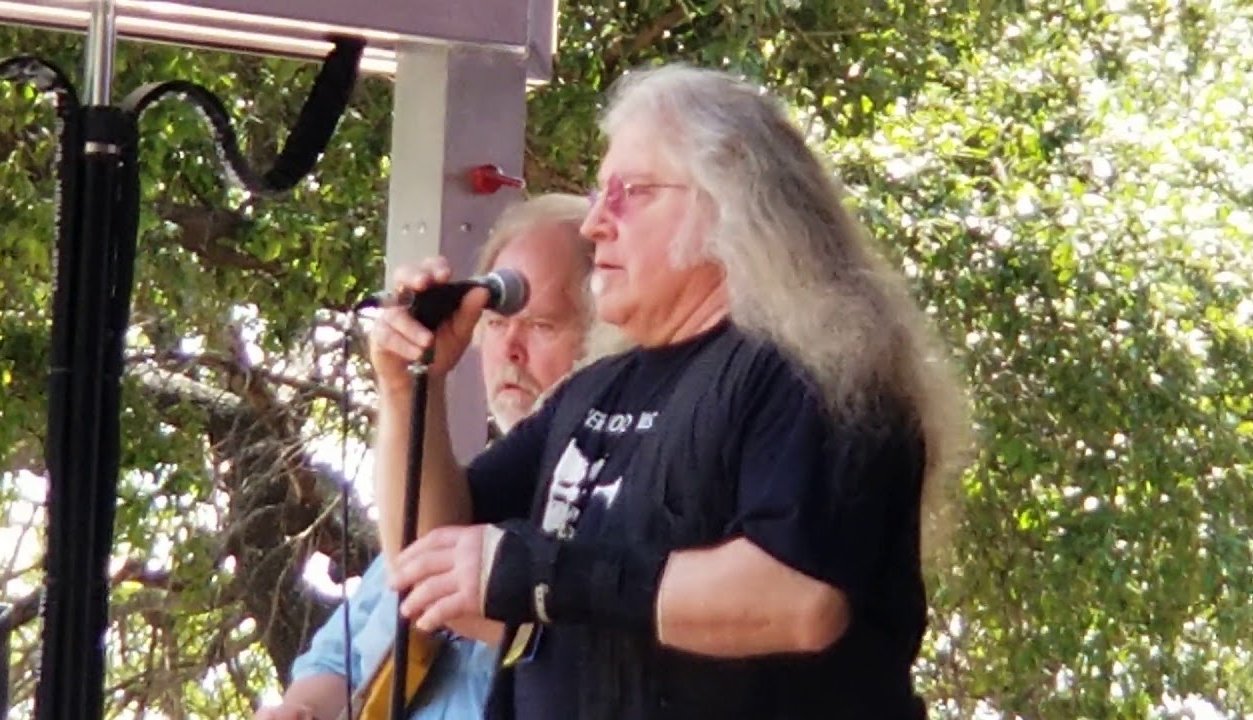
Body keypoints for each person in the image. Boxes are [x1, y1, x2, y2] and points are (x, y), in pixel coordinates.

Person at [371, 63, 973, 719]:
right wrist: (409, 394)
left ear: (731, 203)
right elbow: (429, 555)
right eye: (600, 195)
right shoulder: (594, 391)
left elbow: (797, 599)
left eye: (631, 192)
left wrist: (545, 577)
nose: (596, 223)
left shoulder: (812, 366)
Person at [256, 192, 607, 720]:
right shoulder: (446, 492)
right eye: (495, 324)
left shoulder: (611, 496)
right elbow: (339, 660)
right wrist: (298, 709)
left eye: (542, 326)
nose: (510, 348)